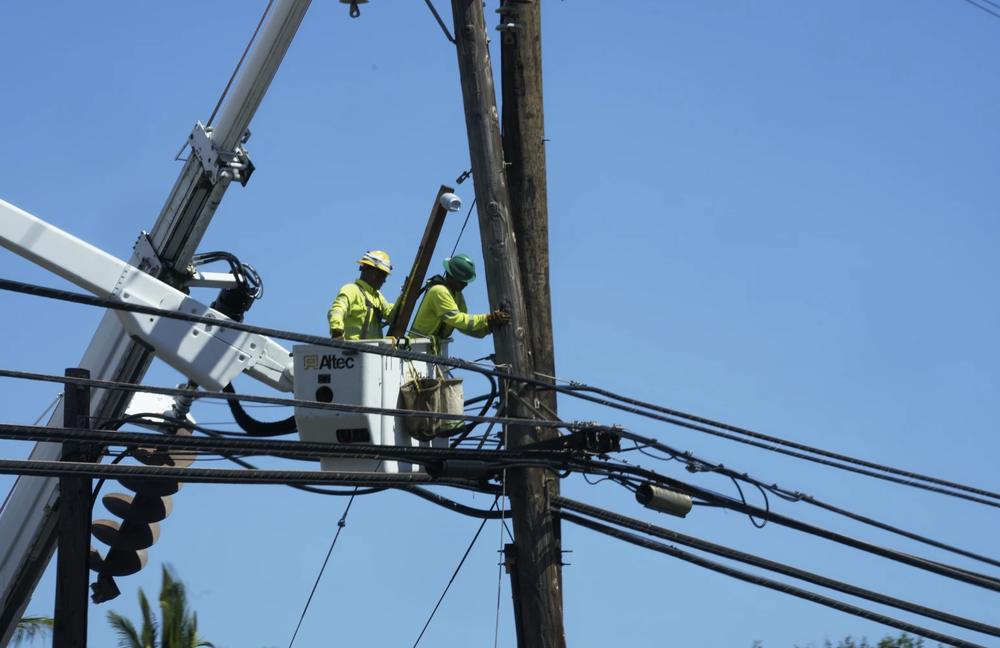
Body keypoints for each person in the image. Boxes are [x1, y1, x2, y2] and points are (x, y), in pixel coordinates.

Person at [409, 253, 510, 353]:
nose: (465, 285)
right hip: (415, 348)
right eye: (462, 281)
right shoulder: (439, 291)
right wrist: (487, 319)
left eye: (466, 281)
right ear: (451, 277)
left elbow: (464, 325)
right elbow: (457, 319)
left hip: (433, 349)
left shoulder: (457, 296)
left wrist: (488, 328)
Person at [328, 250, 395, 340]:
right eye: (384, 276)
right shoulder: (352, 290)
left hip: (374, 351)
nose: (384, 281)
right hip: (354, 350)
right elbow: (337, 309)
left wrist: (405, 296)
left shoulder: (377, 296)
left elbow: (392, 314)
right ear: (374, 273)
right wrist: (337, 331)